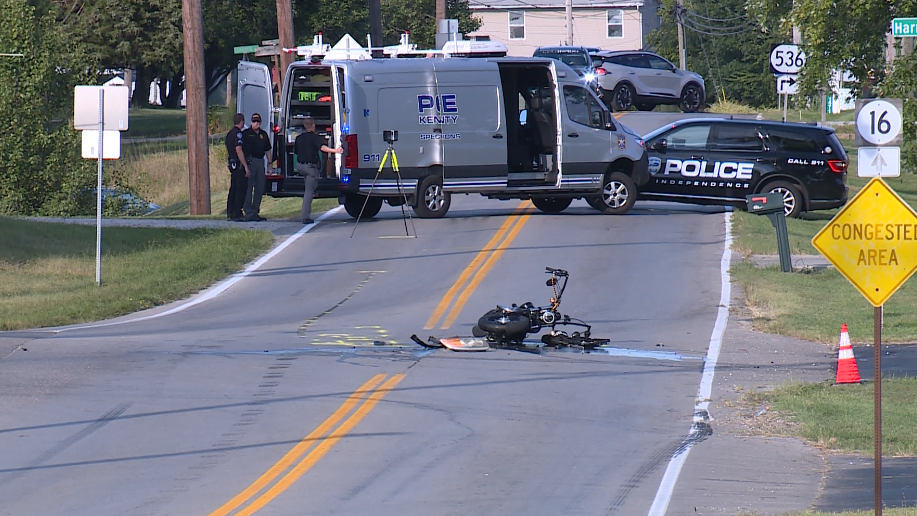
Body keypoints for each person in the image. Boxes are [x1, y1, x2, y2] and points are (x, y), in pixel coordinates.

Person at [294, 117, 342, 224]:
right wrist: (335, 150)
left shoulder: (298, 138)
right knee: (309, 192)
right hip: (310, 167)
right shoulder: (315, 137)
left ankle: (304, 213)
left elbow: (296, 152)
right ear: (313, 125)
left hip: (300, 166)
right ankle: (305, 217)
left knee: (307, 187)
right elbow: (322, 148)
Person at [241, 113, 272, 221]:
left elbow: (267, 149)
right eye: (254, 121)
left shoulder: (263, 134)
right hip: (250, 161)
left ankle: (255, 211)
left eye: (258, 121)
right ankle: (248, 211)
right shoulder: (245, 134)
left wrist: (270, 163)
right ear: (251, 122)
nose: (256, 123)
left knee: (259, 187)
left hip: (260, 161)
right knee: (249, 187)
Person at [224, 113, 250, 222]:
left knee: (233, 188)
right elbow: (239, 150)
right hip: (238, 164)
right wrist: (245, 166)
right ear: (242, 121)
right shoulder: (238, 134)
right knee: (241, 188)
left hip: (232, 163)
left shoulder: (229, 133)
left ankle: (230, 211)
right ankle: (237, 212)